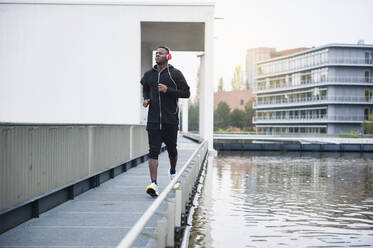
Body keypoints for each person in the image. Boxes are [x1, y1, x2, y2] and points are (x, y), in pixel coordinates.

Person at [140, 46, 190, 197]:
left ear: (168, 57)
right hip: (153, 121)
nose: (157, 55)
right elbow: (145, 87)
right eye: (156, 53)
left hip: (170, 120)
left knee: (172, 150)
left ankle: (173, 172)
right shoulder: (149, 74)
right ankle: (153, 183)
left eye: (160, 53)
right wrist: (146, 99)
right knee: (153, 151)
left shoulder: (175, 74)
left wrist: (168, 90)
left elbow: (186, 93)